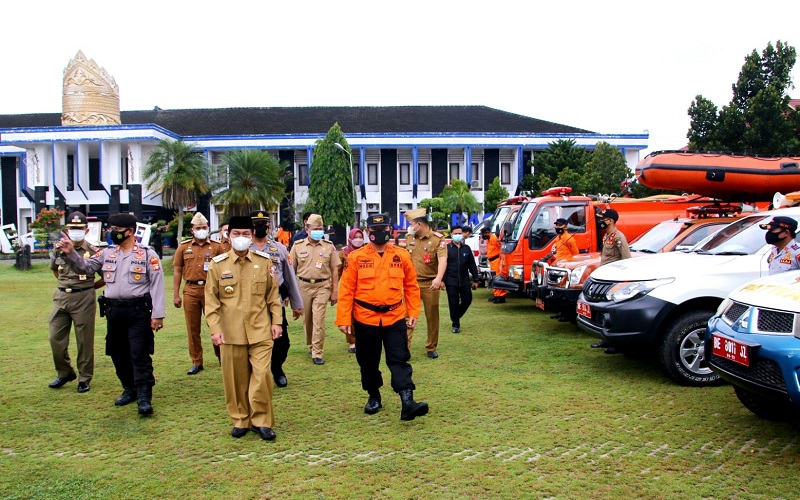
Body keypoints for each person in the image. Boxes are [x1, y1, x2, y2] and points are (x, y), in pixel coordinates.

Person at [57, 212, 165, 416]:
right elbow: (86, 267)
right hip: (114, 311)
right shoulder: (107, 253)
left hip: (138, 310)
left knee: (139, 353)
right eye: (111, 229)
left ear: (130, 231)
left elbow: (157, 285)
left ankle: (144, 395)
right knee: (117, 352)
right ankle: (129, 388)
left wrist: (157, 315)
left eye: (116, 230)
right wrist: (71, 253)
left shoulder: (147, 254)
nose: (111, 233)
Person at [336, 214, 429, 421]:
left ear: (390, 230)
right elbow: (346, 290)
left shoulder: (401, 255)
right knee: (368, 361)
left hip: (394, 317)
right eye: (375, 230)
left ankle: (407, 401)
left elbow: (411, 286)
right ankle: (373, 395)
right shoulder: (356, 257)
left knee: (399, 358)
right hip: (365, 318)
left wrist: (413, 312)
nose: (380, 233)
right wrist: (344, 318)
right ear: (367, 232)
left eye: (384, 229)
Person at [205, 216, 283, 440]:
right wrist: (215, 329)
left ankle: (261, 421)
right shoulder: (218, 264)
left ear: (252, 236)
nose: (241, 238)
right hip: (230, 332)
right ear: (228, 236)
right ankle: (241, 419)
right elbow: (211, 301)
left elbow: (273, 296)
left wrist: (277, 321)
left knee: (262, 376)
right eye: (236, 234)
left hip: (260, 330)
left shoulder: (264, 262)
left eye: (246, 234)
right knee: (235, 380)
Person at [47, 211, 103, 393]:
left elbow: (105, 276)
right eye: (72, 228)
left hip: (83, 298)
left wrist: (89, 287)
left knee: (84, 340)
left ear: (86, 230)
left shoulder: (93, 251)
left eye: (79, 228)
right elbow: (55, 269)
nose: (76, 231)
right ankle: (65, 372)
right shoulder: (58, 249)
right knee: (55, 337)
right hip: (61, 297)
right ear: (67, 229)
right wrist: (65, 284)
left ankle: (84, 378)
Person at [249, 210, 303, 388]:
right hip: (251, 304)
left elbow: (290, 277)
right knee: (252, 341)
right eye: (256, 225)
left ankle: (277, 368)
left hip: (275, 302)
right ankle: (255, 372)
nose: (260, 228)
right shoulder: (244, 249)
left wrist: (297, 304)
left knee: (282, 343)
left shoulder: (279, 249)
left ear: (268, 226)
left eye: (263, 224)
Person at [172, 212, 224, 375]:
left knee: (216, 325)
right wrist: (176, 294)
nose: (201, 230)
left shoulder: (217, 246)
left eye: (204, 227)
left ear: (208, 228)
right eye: (198, 228)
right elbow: (177, 270)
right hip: (191, 290)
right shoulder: (183, 247)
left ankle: (222, 356)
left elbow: (225, 270)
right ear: (192, 230)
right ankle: (196, 361)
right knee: (192, 328)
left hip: (212, 291)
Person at [289, 214, 340, 365]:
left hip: (322, 286)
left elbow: (335, 269)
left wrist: (335, 290)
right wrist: (291, 293)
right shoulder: (298, 246)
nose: (318, 231)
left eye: (320, 228)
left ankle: (317, 352)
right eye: (315, 228)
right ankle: (311, 345)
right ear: (307, 229)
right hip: (303, 286)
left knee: (319, 319)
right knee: (308, 320)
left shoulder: (328, 246)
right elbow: (291, 270)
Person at [404, 207, 447, 358]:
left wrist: (439, 278)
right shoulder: (409, 237)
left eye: (411, 224)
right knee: (407, 316)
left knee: (432, 316)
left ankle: (431, 347)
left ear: (419, 224)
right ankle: (405, 348)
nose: (409, 227)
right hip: (411, 284)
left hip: (430, 284)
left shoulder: (437, 239)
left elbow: (443, 260)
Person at [593, 208, 631, 353]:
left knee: (613, 312)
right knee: (603, 312)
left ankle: (617, 344)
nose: (601, 222)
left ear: (610, 221)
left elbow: (626, 258)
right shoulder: (607, 236)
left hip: (614, 280)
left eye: (603, 219)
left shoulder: (618, 237)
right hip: (605, 278)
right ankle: (605, 339)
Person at [444, 225, 480, 333]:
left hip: (464, 280)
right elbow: (442, 266)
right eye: (455, 233)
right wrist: (442, 280)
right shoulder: (446, 249)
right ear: (451, 234)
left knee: (467, 300)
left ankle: (456, 316)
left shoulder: (466, 248)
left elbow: (472, 265)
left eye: (460, 233)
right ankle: (456, 325)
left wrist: (476, 279)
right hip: (451, 281)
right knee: (453, 303)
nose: (458, 235)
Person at [337, 228, 366, 353]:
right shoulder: (344, 253)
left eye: (360, 237)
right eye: (355, 237)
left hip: (365, 288)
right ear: (350, 238)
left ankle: (364, 339)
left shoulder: (368, 251)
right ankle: (352, 341)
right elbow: (338, 271)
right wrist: (334, 289)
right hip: (348, 288)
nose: (358, 240)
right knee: (349, 315)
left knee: (364, 315)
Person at [548, 217, 580, 322]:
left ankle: (567, 315)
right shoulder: (558, 238)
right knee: (558, 292)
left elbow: (575, 254)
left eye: (560, 225)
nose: (557, 227)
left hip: (566, 268)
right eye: (556, 225)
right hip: (559, 267)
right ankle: (561, 312)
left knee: (565, 292)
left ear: (566, 226)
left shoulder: (569, 239)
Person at [482, 226, 506, 304]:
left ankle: (501, 296)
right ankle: (496, 295)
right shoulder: (489, 239)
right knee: (494, 278)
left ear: (487, 232)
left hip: (497, 260)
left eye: (483, 234)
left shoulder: (494, 238)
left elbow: (501, 247)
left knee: (498, 278)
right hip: (492, 261)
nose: (483, 236)